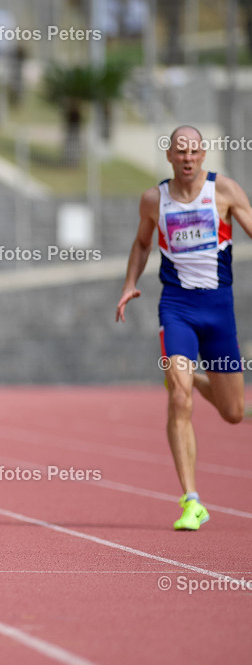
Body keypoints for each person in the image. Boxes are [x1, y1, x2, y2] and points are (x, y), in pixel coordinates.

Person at [116, 125, 250, 530]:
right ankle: (192, 501)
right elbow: (142, 244)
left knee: (233, 412)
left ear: (203, 155)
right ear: (170, 157)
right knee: (180, 398)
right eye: (181, 152)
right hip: (177, 308)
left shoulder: (224, 191)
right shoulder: (154, 200)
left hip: (218, 311)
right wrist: (129, 284)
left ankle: (187, 380)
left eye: (194, 151)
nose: (188, 158)